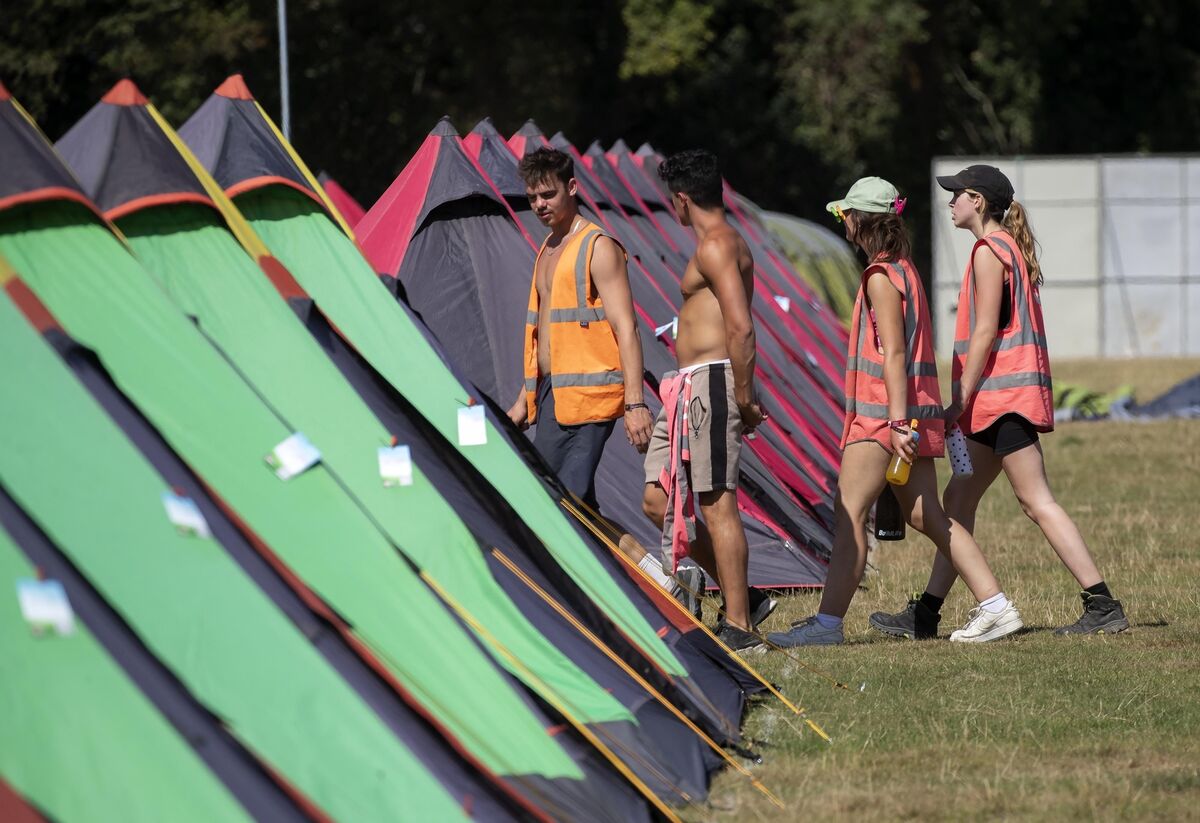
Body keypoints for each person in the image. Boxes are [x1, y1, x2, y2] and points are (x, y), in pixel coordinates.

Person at [870, 166, 1128, 638]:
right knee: (958, 500)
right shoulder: (1003, 248)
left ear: (978, 202)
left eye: (957, 196)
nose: (950, 204)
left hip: (1003, 398)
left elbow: (986, 329)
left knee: (1036, 501)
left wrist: (959, 398)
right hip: (994, 403)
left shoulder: (990, 252)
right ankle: (925, 615)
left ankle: (1102, 603)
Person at [769, 177, 1023, 648]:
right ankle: (996, 606)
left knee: (850, 511)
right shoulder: (906, 271)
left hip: (883, 419)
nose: (841, 221)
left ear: (860, 220)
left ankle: (826, 625)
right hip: (909, 417)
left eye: (844, 214)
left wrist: (897, 424)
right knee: (930, 518)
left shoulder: (882, 278)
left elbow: (893, 357)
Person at [642, 149, 775, 652]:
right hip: (687, 386)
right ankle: (748, 598)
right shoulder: (717, 243)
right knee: (658, 499)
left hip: (713, 383)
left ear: (681, 200)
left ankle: (740, 628)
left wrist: (743, 394)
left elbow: (741, 325)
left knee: (718, 505)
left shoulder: (718, 244)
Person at [507, 148, 654, 508]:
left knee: (565, 501)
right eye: (532, 198)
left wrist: (635, 404)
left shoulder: (597, 246)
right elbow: (546, 333)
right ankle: (640, 565)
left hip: (589, 400)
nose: (540, 205)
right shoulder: (549, 247)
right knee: (569, 503)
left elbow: (627, 327)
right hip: (553, 395)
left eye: (548, 194)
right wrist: (523, 402)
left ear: (572, 187)